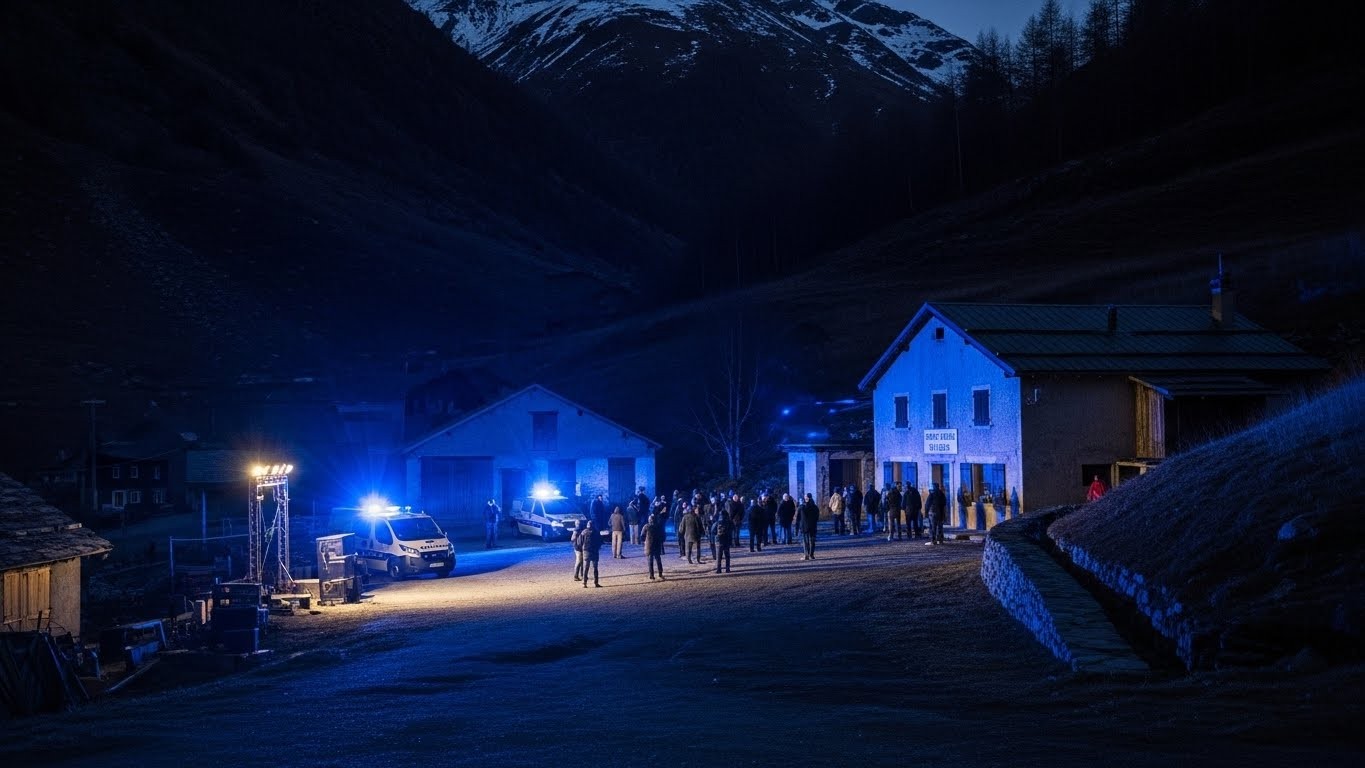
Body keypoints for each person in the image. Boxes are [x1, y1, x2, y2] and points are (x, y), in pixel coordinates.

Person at [580, 520, 603, 588]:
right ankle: (596, 582)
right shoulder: (596, 532)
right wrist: (598, 547)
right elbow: (600, 541)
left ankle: (584, 583)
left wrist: (582, 548)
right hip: (594, 551)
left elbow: (580, 542)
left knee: (586, 568)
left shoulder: (584, 532)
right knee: (595, 568)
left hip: (586, 551)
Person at [643, 513, 665, 581]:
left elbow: (642, 535)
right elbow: (663, 536)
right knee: (658, 559)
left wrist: (644, 541)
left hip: (649, 545)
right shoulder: (659, 526)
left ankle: (651, 576)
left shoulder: (647, 526)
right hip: (657, 545)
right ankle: (660, 574)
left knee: (650, 560)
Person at [798, 493, 819, 560]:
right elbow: (817, 517)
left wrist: (798, 525)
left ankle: (806, 555)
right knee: (812, 541)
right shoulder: (815, 507)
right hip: (813, 526)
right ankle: (811, 554)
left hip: (804, 526)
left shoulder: (802, 507)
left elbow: (799, 517)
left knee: (805, 541)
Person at [712, 507, 733, 573]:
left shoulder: (717, 522)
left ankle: (719, 569)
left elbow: (713, 531)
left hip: (718, 541)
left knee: (719, 556)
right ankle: (727, 569)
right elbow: (733, 529)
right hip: (726, 540)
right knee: (727, 555)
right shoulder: (729, 522)